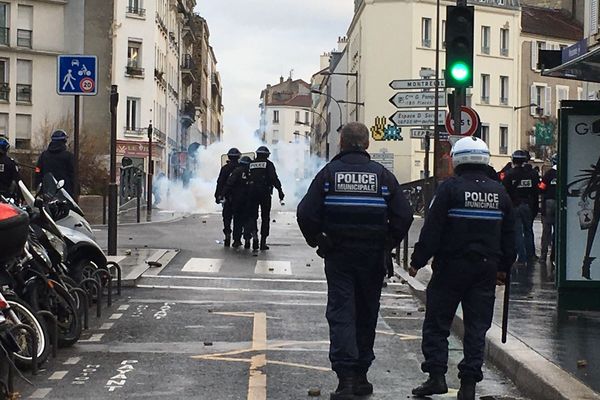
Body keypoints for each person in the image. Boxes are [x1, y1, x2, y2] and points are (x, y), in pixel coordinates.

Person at [297, 122, 413, 399]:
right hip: (372, 256)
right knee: (366, 312)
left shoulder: (328, 174)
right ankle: (361, 375)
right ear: (367, 144)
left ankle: (346, 378)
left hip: (339, 255)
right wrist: (388, 243)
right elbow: (404, 215)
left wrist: (318, 239)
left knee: (341, 313)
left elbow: (306, 212)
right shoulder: (383, 176)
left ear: (341, 143)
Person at [409, 137, 516, 400]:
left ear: (458, 159)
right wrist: (503, 268)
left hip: (450, 269)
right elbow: (511, 237)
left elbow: (432, 229)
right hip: (485, 270)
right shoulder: (499, 192)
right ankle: (468, 385)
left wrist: (417, 261)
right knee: (476, 328)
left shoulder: (449, 189)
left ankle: (436, 377)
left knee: (437, 324)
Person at [502, 150, 540, 264]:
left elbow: (505, 192)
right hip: (527, 205)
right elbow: (536, 191)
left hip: (514, 206)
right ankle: (531, 255)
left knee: (517, 231)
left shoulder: (509, 174)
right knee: (529, 230)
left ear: (513, 160)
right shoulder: (532, 174)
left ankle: (521, 257)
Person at [248, 146, 284, 250]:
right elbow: (274, 178)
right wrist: (280, 191)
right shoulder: (268, 164)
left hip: (252, 193)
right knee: (265, 217)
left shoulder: (250, 164)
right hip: (265, 193)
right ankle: (263, 242)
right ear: (267, 155)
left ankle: (254, 238)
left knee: (252, 216)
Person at [223, 156, 256, 249]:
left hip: (237, 201)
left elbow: (229, 183)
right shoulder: (252, 172)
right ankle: (247, 240)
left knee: (237, 221)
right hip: (249, 201)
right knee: (248, 220)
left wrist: (223, 194)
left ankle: (237, 240)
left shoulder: (236, 171)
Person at [35, 130, 75, 196]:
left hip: (47, 192)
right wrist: (76, 191)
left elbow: (38, 172)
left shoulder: (44, 155)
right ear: (64, 141)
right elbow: (73, 174)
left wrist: (39, 187)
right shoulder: (68, 156)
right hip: (65, 193)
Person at [215, 148, 241, 247]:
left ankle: (227, 234)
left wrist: (218, 195)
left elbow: (220, 182)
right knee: (238, 219)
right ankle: (237, 239)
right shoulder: (241, 167)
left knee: (227, 217)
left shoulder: (225, 168)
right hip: (239, 198)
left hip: (227, 197)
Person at [539, 154, 558, 264]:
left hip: (548, 203)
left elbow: (541, 188)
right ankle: (554, 256)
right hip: (559, 203)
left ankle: (543, 256)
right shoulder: (564, 173)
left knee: (546, 231)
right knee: (557, 231)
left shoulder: (549, 173)